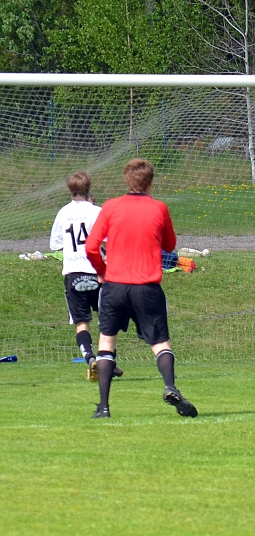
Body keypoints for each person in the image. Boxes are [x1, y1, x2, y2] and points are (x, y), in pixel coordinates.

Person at [85, 158, 197, 419]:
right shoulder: (159, 208)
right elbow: (170, 246)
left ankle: (103, 407)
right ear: (151, 182)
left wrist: (102, 270)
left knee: (106, 342)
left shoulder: (111, 207)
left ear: (127, 180)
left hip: (114, 286)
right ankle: (169, 386)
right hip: (147, 287)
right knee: (160, 343)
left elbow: (91, 247)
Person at [49, 171, 122, 381]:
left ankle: (90, 357)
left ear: (69, 190)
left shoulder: (63, 213)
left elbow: (55, 244)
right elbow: (109, 239)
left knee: (82, 322)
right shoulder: (97, 211)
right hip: (97, 272)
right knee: (106, 320)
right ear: (89, 188)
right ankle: (108, 361)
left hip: (73, 273)